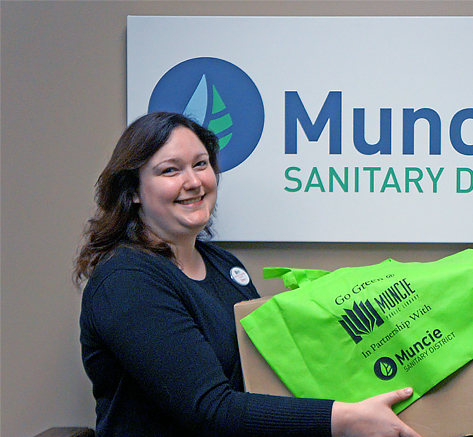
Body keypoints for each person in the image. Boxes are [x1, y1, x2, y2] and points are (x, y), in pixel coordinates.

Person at [74, 112, 421, 437]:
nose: (193, 182)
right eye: (170, 171)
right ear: (133, 190)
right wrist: (345, 419)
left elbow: (265, 369)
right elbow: (209, 410)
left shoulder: (224, 265)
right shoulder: (126, 281)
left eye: (201, 164)